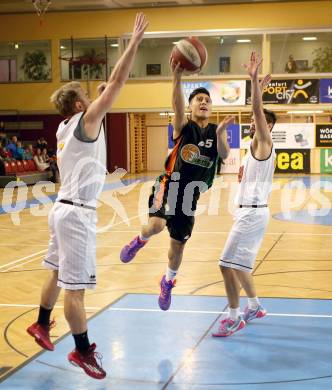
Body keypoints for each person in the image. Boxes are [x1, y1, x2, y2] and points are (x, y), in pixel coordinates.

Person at [26, 13, 148, 380]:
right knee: (75, 291)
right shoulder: (83, 122)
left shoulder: (65, 128)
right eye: (85, 96)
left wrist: (96, 101)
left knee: (55, 270)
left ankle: (41, 324)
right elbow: (117, 82)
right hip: (76, 214)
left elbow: (94, 120)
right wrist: (135, 42)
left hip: (61, 209)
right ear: (80, 106)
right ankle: (82, 352)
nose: (90, 97)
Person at [120, 59, 231, 311]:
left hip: (189, 197)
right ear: (191, 106)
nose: (203, 102)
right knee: (156, 225)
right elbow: (176, 107)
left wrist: (221, 135)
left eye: (207, 100)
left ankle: (167, 281)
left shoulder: (215, 130)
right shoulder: (184, 126)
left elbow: (223, 154)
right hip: (169, 184)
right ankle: (139, 240)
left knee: (178, 244)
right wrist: (177, 77)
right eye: (198, 99)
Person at [212, 52, 277, 337]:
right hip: (249, 211)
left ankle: (235, 316)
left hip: (252, 213)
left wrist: (252, 81)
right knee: (238, 266)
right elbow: (257, 112)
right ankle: (255, 306)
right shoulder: (254, 146)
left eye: (257, 119)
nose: (252, 121)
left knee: (226, 266)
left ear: (267, 126)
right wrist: (258, 88)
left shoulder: (265, 142)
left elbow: (259, 112)